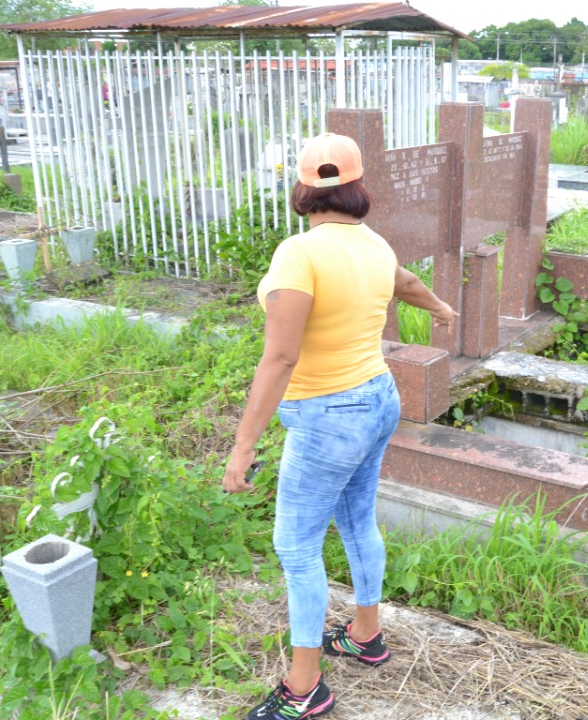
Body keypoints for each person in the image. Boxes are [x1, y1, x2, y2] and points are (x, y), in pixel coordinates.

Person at [222, 132, 457, 720]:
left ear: (303, 188)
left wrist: (242, 445)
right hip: (378, 397)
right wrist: (442, 308)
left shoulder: (298, 253)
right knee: (357, 520)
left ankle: (304, 688)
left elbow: (280, 356)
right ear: (357, 185)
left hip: (329, 413)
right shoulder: (373, 243)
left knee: (296, 546)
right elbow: (405, 283)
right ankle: (366, 635)